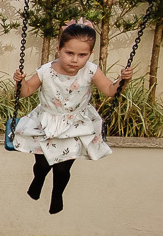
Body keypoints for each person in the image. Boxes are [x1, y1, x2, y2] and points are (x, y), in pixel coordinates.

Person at [11, 18, 133, 214]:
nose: (75, 60)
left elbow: (110, 90)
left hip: (75, 124)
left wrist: (122, 81)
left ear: (90, 54)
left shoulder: (91, 70)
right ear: (58, 49)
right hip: (46, 121)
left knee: (62, 169)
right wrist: (20, 82)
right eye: (69, 53)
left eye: (82, 55)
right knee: (42, 164)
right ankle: (38, 179)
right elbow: (25, 92)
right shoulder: (45, 71)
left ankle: (57, 194)